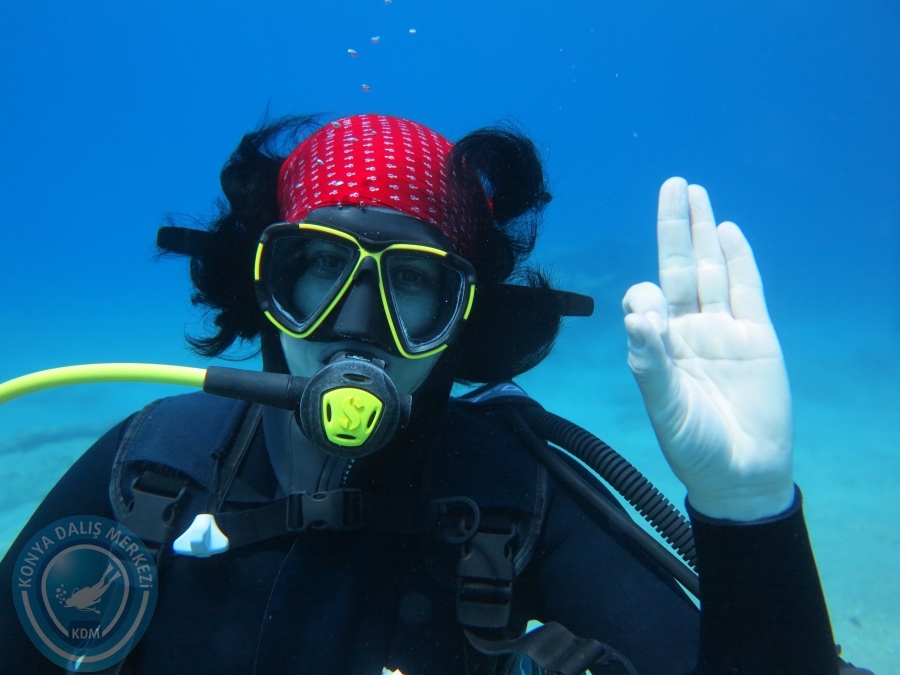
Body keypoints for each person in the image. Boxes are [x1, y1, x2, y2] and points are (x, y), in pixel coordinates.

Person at [0, 114, 868, 675]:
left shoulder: (519, 498)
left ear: (461, 317)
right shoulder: (152, 468)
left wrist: (748, 513)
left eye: (412, 282)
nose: (357, 326)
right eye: (321, 266)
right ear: (268, 283)